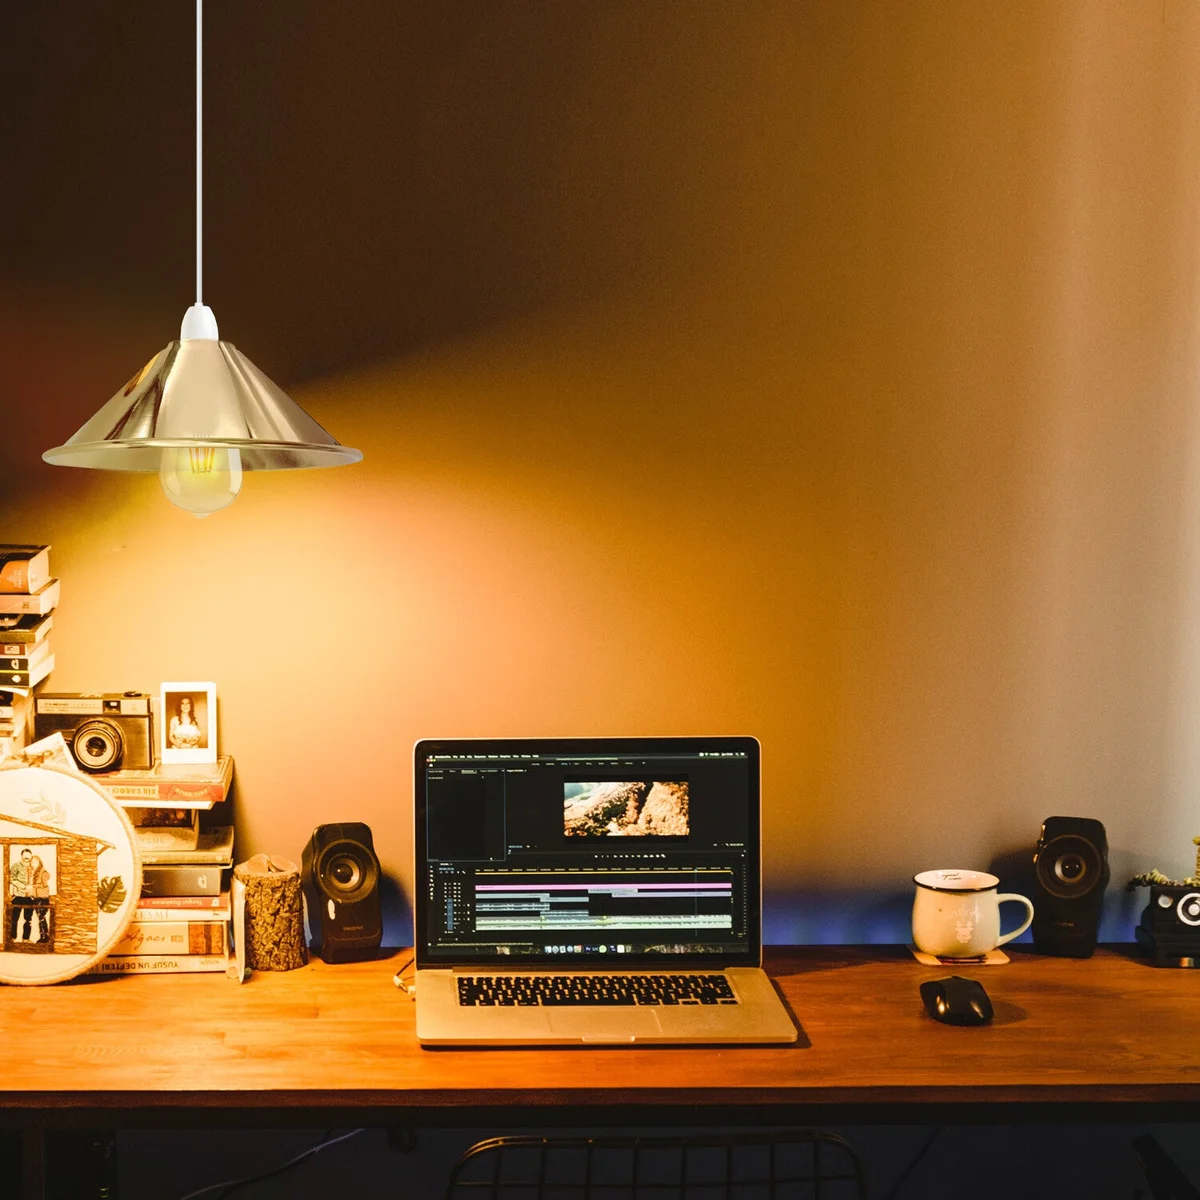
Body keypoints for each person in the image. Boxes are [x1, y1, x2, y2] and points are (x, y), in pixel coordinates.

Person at [9, 848, 32, 942]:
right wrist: (22, 886)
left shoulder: (32, 866)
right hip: (18, 896)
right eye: (25, 855)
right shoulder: (16, 865)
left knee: (28, 919)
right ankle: (12, 938)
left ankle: (25, 939)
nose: (27, 857)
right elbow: (12, 879)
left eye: (28, 855)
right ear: (21, 855)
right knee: (14, 919)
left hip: (29, 897)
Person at [29, 854, 51, 943]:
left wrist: (32, 886)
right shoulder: (33, 872)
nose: (34, 863)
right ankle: (43, 936)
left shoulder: (43, 872)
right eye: (32, 862)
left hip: (42, 898)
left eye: (36, 862)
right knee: (40, 917)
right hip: (36, 897)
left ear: (39, 862)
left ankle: (44, 937)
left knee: (41, 917)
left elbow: (44, 884)